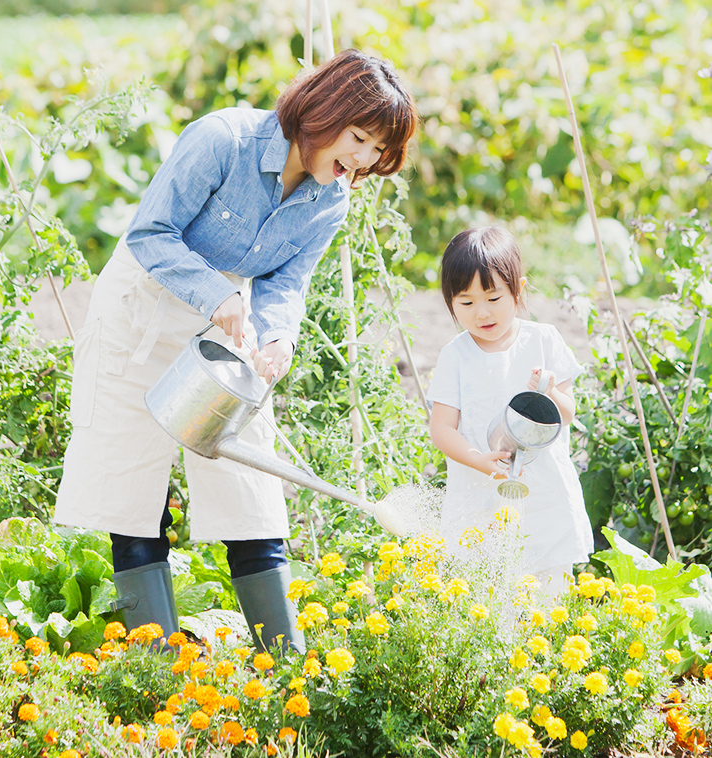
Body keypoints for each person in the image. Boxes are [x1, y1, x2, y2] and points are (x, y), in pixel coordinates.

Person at [54, 49, 418, 652]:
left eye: (378, 152)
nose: (364, 161)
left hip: (228, 323)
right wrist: (212, 292)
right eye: (359, 138)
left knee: (249, 488)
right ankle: (160, 675)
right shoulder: (223, 140)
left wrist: (278, 336)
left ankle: (287, 668)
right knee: (132, 496)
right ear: (322, 111)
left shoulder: (333, 198)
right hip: (143, 306)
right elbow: (150, 232)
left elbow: (286, 282)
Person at [427, 226, 593, 599]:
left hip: (543, 494)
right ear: (449, 302)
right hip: (480, 495)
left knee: (549, 601)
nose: (481, 312)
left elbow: (567, 412)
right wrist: (480, 461)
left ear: (517, 289)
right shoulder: (455, 355)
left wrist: (549, 389)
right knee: (485, 600)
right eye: (466, 303)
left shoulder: (543, 339)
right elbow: (442, 428)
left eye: (493, 297)